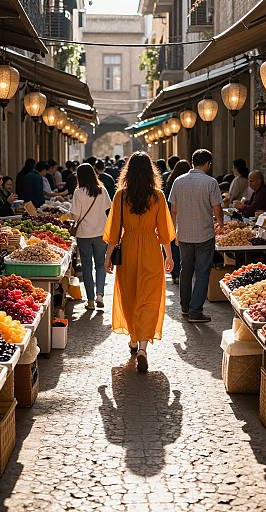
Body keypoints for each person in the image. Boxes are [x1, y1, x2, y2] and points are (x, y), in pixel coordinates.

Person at [104, 152, 175, 372]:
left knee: (129, 296)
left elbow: (114, 231)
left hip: (128, 250)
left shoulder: (120, 196)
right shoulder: (158, 196)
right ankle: (143, 347)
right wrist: (169, 256)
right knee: (149, 298)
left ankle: (133, 340)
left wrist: (107, 257)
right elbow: (164, 231)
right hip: (152, 252)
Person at [169, 149, 224, 323]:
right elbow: (217, 208)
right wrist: (221, 224)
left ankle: (185, 307)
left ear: (193, 162)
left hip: (184, 234)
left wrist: (174, 231)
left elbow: (174, 210)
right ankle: (195, 311)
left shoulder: (178, 181)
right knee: (202, 272)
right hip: (204, 234)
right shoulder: (211, 182)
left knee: (186, 271)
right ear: (208, 164)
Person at [71, 164, 112, 311]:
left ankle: (90, 301)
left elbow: (75, 215)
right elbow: (109, 209)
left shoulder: (78, 192)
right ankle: (100, 294)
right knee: (100, 265)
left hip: (84, 234)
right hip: (101, 233)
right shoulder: (102, 190)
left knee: (87, 268)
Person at [164, 159, 191, 285]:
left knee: (174, 245)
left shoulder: (171, 181)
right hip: (186, 215)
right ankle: (184, 272)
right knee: (185, 246)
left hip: (172, 216)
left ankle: (175, 273)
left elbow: (169, 202)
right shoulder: (189, 182)